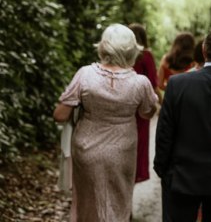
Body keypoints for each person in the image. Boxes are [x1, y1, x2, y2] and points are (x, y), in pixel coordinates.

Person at [53, 24, 158, 221]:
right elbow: (147, 113)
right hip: (122, 150)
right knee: (119, 199)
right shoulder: (140, 83)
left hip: (87, 149)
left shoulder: (85, 74)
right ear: (132, 50)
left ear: (103, 47)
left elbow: (59, 115)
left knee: (87, 200)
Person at [154, 29, 211, 222]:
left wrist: (163, 169)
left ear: (203, 51)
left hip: (182, 176)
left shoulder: (178, 83)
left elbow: (165, 131)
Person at [129, 23, 158, 184]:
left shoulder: (123, 55)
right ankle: (132, 181)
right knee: (137, 148)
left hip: (123, 103)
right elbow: (153, 81)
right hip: (141, 107)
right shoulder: (146, 56)